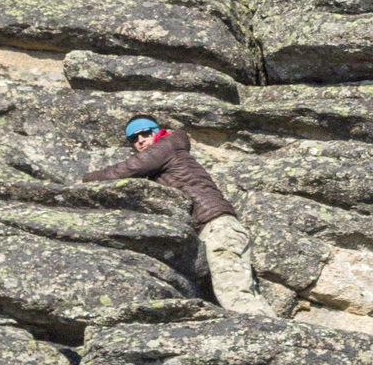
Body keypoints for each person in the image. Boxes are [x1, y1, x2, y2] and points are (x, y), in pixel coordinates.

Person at [82, 116, 272, 316]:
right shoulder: (164, 159)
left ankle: (267, 340)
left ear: (157, 132)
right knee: (244, 294)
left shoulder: (168, 145)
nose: (140, 140)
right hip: (214, 228)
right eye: (134, 138)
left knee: (234, 294)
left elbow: (131, 167)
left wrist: (85, 181)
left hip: (218, 226)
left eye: (145, 133)